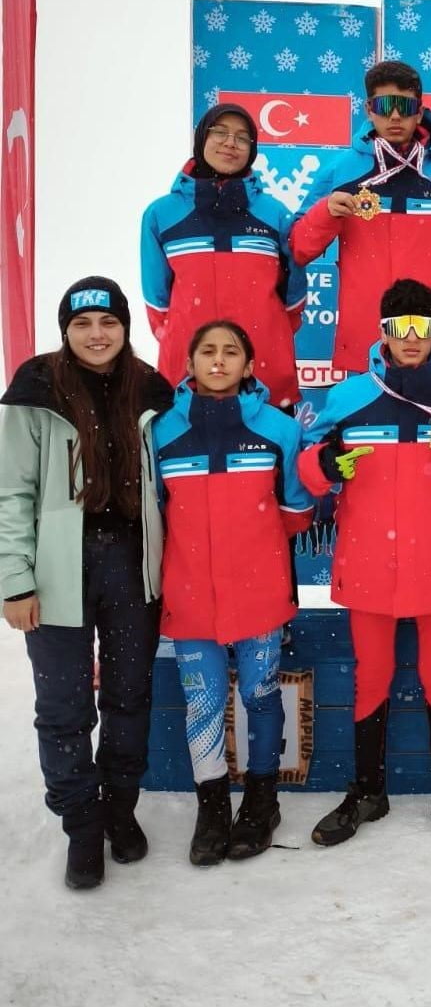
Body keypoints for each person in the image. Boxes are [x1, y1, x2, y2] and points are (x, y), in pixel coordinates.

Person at [299, 279, 431, 850]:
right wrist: (328, 464)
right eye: (399, 327)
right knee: (372, 676)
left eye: (422, 327)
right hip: (368, 562)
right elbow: (309, 465)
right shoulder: (349, 396)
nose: (411, 338)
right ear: (382, 332)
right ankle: (367, 791)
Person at [0, 277, 173, 889]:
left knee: (128, 696)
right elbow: (11, 491)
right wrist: (14, 580)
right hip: (58, 567)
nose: (96, 334)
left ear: (124, 328)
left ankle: (119, 810)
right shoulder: (37, 388)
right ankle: (81, 825)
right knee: (64, 708)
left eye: (108, 322)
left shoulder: (150, 389)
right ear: (65, 330)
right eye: (82, 324)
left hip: (131, 564)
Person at [152, 321, 313, 866]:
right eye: (207, 351)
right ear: (190, 362)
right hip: (189, 596)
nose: (218, 361)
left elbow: (297, 511)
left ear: (249, 365)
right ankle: (213, 807)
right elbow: (154, 515)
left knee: (260, 697)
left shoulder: (279, 430)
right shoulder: (160, 432)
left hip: (259, 595)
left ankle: (262, 803)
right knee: (202, 702)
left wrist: (249, 549)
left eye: (230, 352)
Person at [290, 61, 431, 369]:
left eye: (404, 106)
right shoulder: (340, 172)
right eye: (384, 105)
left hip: (428, 339)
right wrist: (325, 213)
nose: (394, 116)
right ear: (369, 109)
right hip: (365, 339)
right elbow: (299, 248)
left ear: (419, 112)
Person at [141, 103, 306, 409]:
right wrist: (186, 340)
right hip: (186, 377)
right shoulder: (161, 214)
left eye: (242, 138)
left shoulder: (275, 214)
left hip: (265, 377)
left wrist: (268, 335)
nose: (231, 143)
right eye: (220, 132)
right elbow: (157, 303)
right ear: (202, 138)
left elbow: (294, 298)